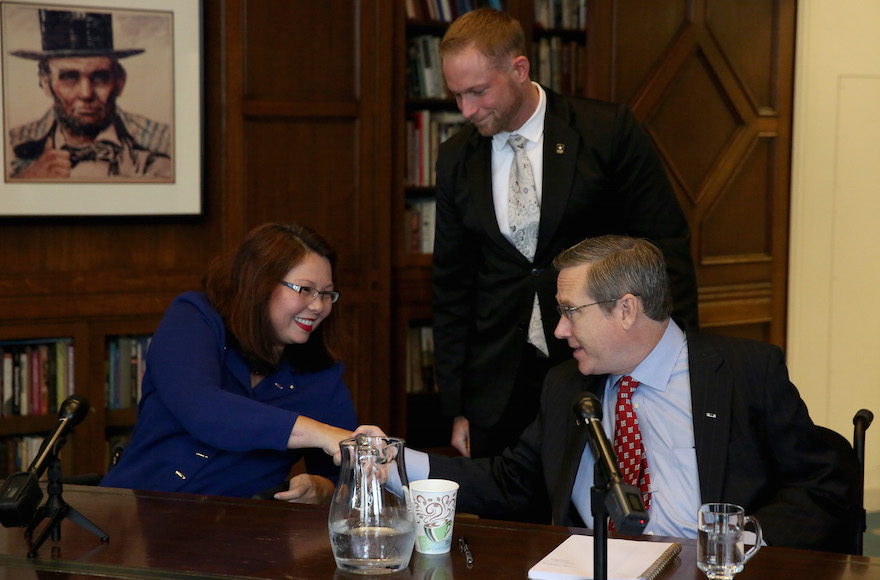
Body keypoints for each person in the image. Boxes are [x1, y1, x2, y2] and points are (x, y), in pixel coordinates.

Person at [370, 235, 856, 552]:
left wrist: (744, 539)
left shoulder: (743, 372)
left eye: (570, 311)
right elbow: (511, 481)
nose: (559, 331)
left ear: (626, 310)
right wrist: (395, 462)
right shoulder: (567, 386)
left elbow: (823, 485)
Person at [432, 8, 699, 463]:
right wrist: (458, 408)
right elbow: (452, 287)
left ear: (519, 69)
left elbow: (664, 251)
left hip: (599, 367)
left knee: (593, 512)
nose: (467, 110)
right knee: (509, 520)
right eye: (457, 96)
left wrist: (681, 368)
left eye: (478, 92)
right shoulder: (456, 157)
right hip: (498, 385)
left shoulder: (606, 132)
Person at [101, 223, 358, 502]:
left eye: (326, 293)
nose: (318, 306)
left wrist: (320, 487)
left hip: (231, 531)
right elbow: (202, 408)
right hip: (130, 513)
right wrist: (321, 432)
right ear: (260, 283)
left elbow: (342, 477)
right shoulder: (195, 319)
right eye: (305, 289)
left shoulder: (321, 376)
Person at [7, 9, 172, 180]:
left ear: (120, 82)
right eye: (70, 77)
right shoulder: (11, 144)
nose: (86, 94)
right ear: (46, 83)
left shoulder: (165, 144)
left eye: (100, 78)